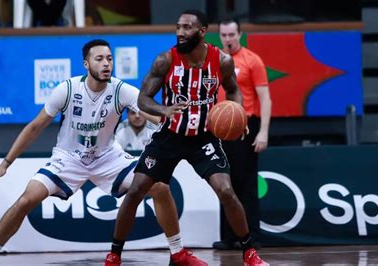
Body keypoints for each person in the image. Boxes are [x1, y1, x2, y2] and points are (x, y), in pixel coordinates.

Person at [0, 39, 206, 266]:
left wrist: (176, 121)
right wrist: (6, 163)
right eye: (99, 59)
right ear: (86, 64)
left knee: (160, 187)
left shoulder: (120, 89)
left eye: (109, 58)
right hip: (68, 158)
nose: (106, 63)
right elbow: (34, 127)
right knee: (26, 199)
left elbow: (152, 113)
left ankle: (178, 254)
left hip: (107, 157)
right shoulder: (67, 89)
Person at [105, 10, 268, 266]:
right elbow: (142, 99)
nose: (180, 32)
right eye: (178, 27)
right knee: (136, 190)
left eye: (187, 27)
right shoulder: (165, 60)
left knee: (226, 190)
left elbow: (234, 91)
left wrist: (240, 116)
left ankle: (249, 253)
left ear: (202, 31)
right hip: (169, 135)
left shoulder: (222, 61)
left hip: (204, 137)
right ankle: (114, 254)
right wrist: (163, 110)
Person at [212, 19, 272, 250]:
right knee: (223, 182)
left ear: (240, 35)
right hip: (220, 127)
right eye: (224, 35)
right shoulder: (216, 61)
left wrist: (264, 132)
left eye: (232, 34)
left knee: (246, 183)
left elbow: (265, 98)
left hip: (247, 126)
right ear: (219, 36)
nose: (228, 39)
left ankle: (252, 237)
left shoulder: (252, 60)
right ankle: (228, 237)